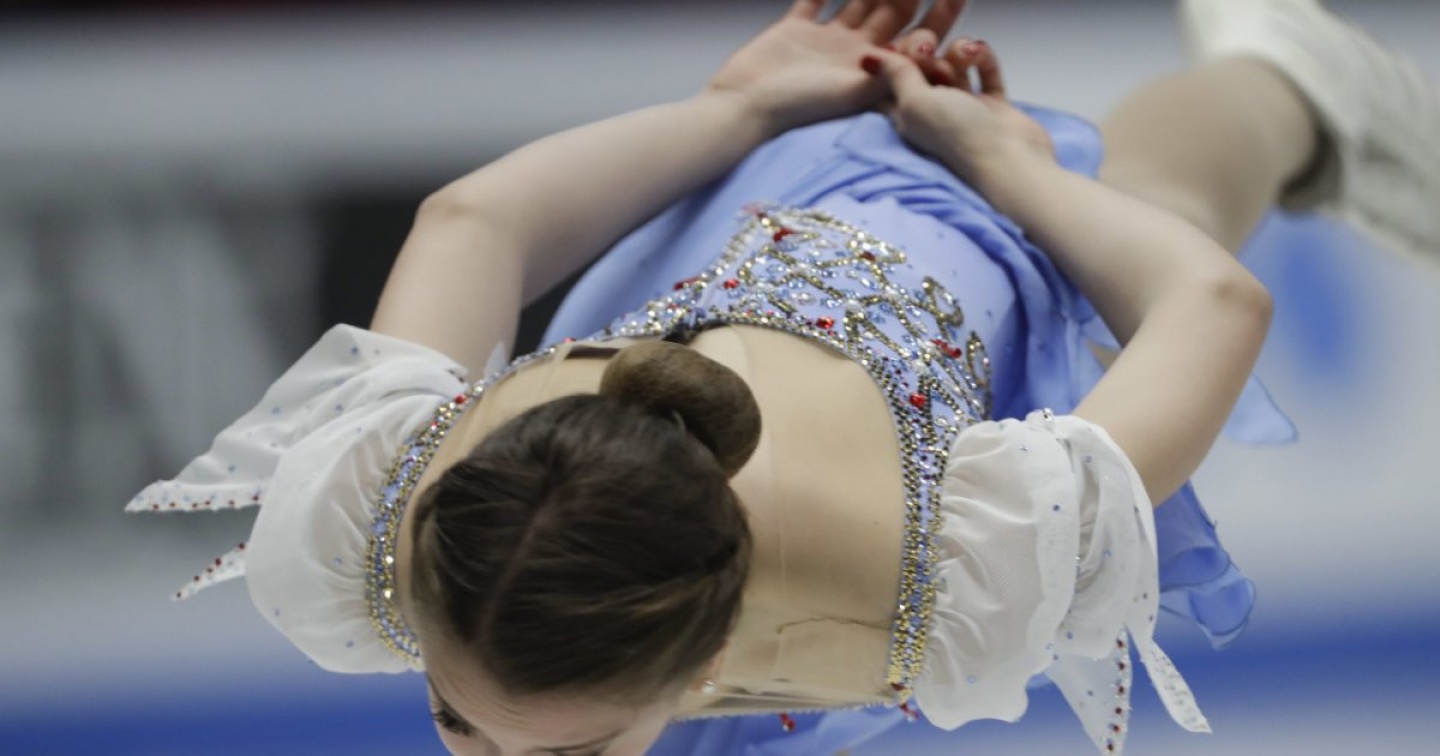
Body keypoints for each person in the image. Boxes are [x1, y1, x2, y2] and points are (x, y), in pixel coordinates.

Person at [129, 0, 1439, 754]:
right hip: (722, 245)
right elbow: (475, 222)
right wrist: (742, 110)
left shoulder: (937, 574)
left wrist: (1013, 169)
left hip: (952, 262)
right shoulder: (381, 531)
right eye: (451, 722)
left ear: (712, 661)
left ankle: (1287, 89)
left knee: (1154, 204)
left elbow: (1209, 302)